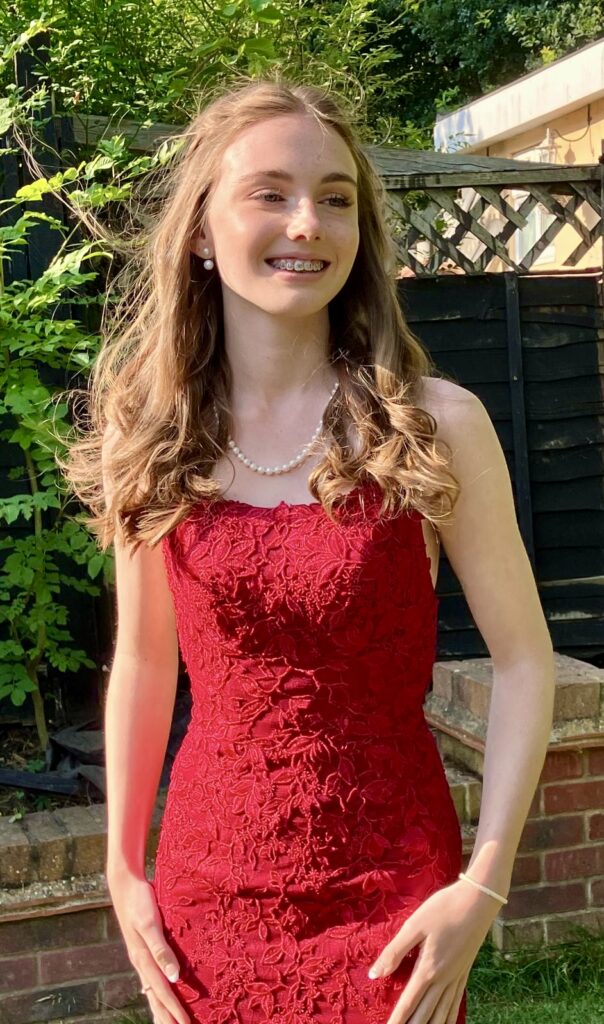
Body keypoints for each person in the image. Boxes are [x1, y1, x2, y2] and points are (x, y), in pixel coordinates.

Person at [60, 77, 555, 1024]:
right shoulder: (154, 430)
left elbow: (527, 662)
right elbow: (147, 663)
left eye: (336, 199)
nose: (309, 223)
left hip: (395, 885)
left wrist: (483, 887)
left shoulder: (433, 425)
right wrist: (123, 873)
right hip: (208, 887)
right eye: (271, 193)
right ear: (202, 230)